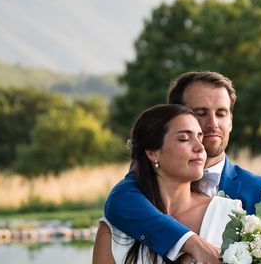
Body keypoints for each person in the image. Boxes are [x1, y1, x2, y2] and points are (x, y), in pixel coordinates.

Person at [104, 71, 261, 264]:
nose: (212, 123)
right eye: (200, 113)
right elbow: (118, 202)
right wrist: (191, 242)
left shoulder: (259, 191)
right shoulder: (140, 183)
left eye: (221, 113)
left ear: (231, 120)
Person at [93, 104, 242, 264]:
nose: (200, 147)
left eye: (200, 137)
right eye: (184, 138)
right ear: (153, 152)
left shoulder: (230, 214)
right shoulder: (113, 231)